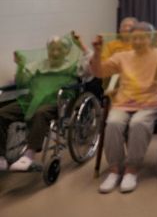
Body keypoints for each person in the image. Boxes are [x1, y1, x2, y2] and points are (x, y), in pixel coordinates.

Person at [91, 22, 157, 193]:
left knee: (138, 123)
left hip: (150, 102)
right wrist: (97, 52)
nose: (138, 41)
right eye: (134, 38)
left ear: (150, 38)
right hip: (123, 102)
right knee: (113, 123)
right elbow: (99, 72)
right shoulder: (122, 56)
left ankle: (131, 170)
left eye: (142, 37)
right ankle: (114, 170)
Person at [0, 33, 91, 171]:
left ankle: (29, 156)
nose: (55, 53)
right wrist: (20, 65)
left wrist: (82, 46)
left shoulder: (73, 66)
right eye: (51, 49)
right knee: (2, 113)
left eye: (59, 49)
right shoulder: (39, 64)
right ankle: (1, 157)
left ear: (66, 52)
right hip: (31, 101)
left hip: (57, 102)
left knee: (40, 113)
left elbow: (90, 68)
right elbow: (22, 82)